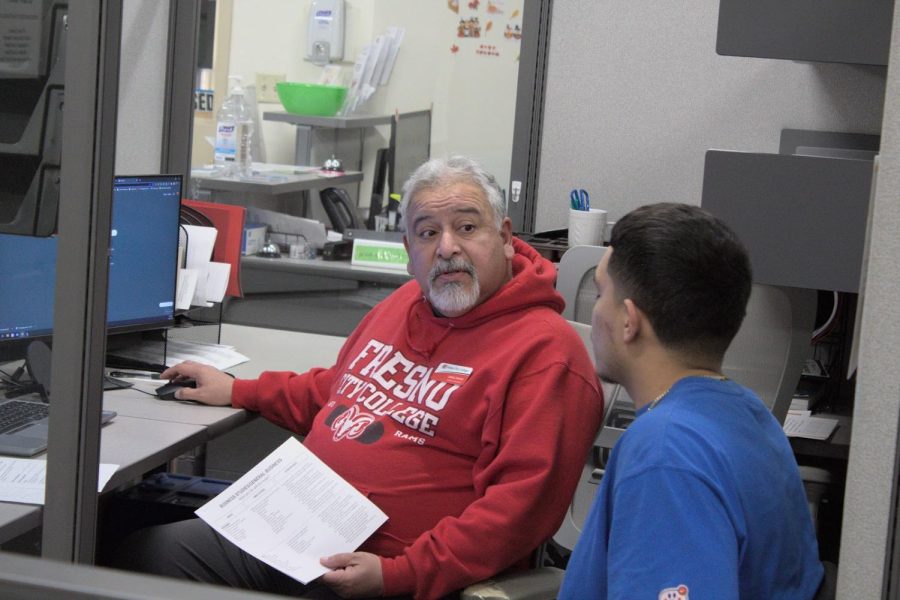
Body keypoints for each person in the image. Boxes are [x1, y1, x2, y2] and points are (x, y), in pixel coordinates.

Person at [113, 156, 603, 600]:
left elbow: (515, 516)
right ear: (409, 248)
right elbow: (340, 391)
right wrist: (240, 390)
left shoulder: (546, 355)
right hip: (294, 534)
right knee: (139, 554)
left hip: (393, 574)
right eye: (428, 233)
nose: (447, 247)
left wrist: (400, 575)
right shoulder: (404, 305)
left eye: (467, 227)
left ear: (504, 236)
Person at [558, 203, 823, 599]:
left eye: (601, 293)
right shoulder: (750, 415)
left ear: (629, 321)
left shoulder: (664, 453)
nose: (595, 312)